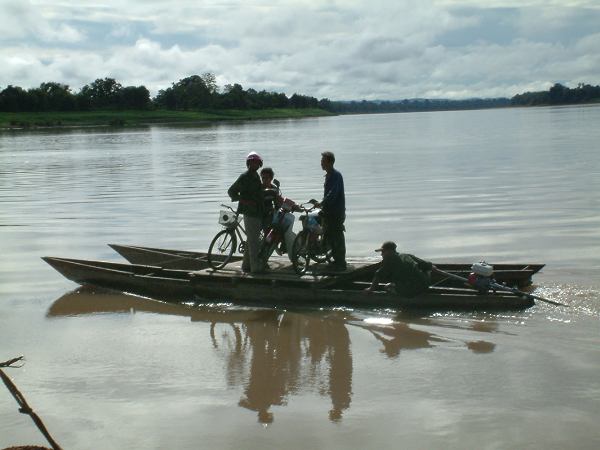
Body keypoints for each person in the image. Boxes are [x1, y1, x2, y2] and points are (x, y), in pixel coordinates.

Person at [227, 152, 264, 273]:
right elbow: (232, 191)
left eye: (257, 163)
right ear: (248, 163)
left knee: (251, 239)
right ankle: (255, 268)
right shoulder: (245, 176)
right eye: (253, 162)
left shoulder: (255, 176)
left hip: (257, 212)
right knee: (254, 242)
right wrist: (243, 200)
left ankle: (246, 265)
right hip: (250, 212)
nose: (255, 164)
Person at [314, 151, 346, 270]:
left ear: (330, 162)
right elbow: (328, 195)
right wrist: (323, 205)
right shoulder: (328, 175)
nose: (321, 163)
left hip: (336, 212)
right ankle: (336, 261)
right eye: (321, 161)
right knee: (330, 235)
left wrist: (322, 202)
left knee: (337, 236)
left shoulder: (336, 175)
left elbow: (332, 193)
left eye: (323, 161)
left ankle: (341, 263)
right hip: (329, 211)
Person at [365, 241, 434, 297]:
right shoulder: (406, 255)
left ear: (390, 251)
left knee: (387, 287)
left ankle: (400, 301)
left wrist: (370, 289)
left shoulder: (389, 260)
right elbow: (428, 265)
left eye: (383, 252)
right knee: (425, 271)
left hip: (412, 290)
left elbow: (378, 275)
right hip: (425, 285)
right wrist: (443, 273)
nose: (381, 254)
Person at [260, 167, 299, 262]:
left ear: (271, 178)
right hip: (261, 216)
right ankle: (263, 259)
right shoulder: (259, 189)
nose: (265, 180)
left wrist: (293, 205)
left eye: (267, 178)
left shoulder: (274, 189)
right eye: (263, 178)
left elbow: (279, 201)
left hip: (271, 215)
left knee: (279, 231)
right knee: (269, 238)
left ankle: (282, 246)